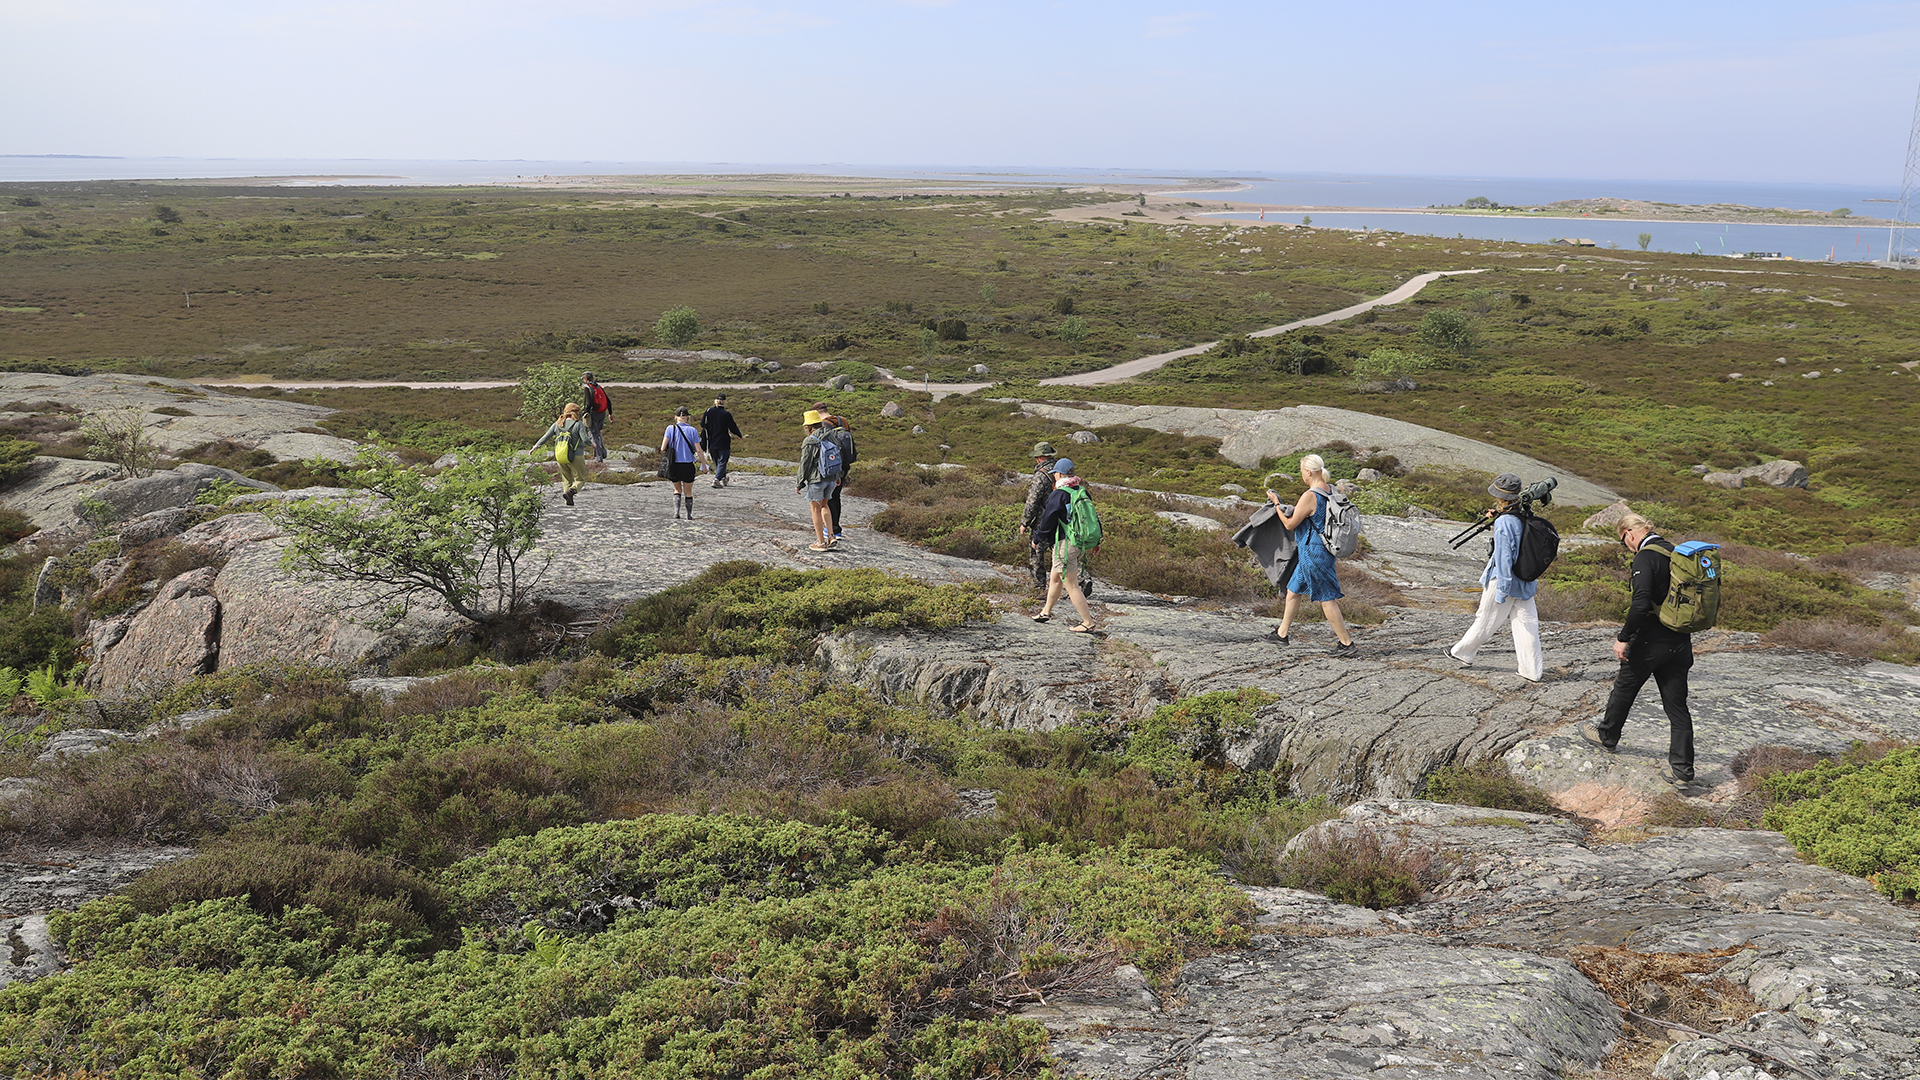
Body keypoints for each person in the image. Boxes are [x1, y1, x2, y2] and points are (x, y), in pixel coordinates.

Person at [1583, 512, 1696, 784]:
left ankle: (1607, 735)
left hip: (1650, 640)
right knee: (1677, 707)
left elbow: (1641, 602)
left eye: (1624, 542)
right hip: (1680, 640)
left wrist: (1624, 637)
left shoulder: (1645, 557)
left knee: (1625, 686)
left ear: (1630, 534)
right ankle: (1682, 770)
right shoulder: (1676, 553)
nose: (1627, 546)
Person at [1448, 473, 1544, 681]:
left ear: (1500, 497)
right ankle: (1532, 671)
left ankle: (1462, 652)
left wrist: (1502, 589)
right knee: (1527, 624)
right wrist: (1499, 517)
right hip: (1525, 580)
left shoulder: (1504, 523)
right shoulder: (1525, 513)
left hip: (1504, 579)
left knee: (1486, 618)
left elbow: (1503, 558)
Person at [1265, 453, 1354, 653]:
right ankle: (1282, 634)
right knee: (1293, 590)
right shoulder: (1331, 489)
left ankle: (1346, 644)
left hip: (1313, 552)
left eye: (1302, 472)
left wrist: (1277, 503)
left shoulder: (1310, 495)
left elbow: (1289, 524)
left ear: (1308, 472)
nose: (1302, 476)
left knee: (1326, 596)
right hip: (1322, 549)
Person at [1029, 457, 1097, 633]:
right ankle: (1046, 612)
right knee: (1055, 577)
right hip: (1078, 542)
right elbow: (1093, 518)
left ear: (1058, 474)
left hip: (1065, 544)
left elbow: (1047, 521)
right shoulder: (1081, 491)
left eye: (1055, 475)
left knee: (1071, 584)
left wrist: (1037, 539)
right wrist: (1097, 540)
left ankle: (1087, 622)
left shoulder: (1059, 494)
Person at [795, 410, 841, 551]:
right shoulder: (832, 435)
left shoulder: (810, 440)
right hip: (831, 478)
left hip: (817, 480)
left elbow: (805, 464)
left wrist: (800, 483)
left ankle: (820, 543)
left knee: (815, 509)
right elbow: (838, 456)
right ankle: (831, 536)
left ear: (808, 426)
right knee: (824, 506)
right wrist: (838, 476)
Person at [529, 402, 590, 506]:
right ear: (576, 412)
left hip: (560, 456)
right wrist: (593, 444)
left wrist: (535, 446)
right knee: (580, 479)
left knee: (566, 480)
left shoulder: (557, 423)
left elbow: (545, 437)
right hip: (576, 455)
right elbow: (584, 439)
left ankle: (568, 502)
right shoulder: (578, 424)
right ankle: (571, 492)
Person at [811, 401, 856, 541]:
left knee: (827, 498)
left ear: (816, 413)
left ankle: (833, 529)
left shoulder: (822, 424)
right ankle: (836, 529)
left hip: (830, 465)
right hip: (845, 464)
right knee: (836, 496)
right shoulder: (843, 420)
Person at [1017, 441, 1058, 589]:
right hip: (1063, 520)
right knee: (1063, 554)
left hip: (1044, 521)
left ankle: (1039, 585)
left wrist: (1025, 522)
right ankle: (1081, 579)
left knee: (1036, 552)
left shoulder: (1041, 475)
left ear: (1040, 457)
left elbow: (1032, 501)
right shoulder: (1061, 470)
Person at [660, 406, 703, 518]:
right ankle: (689, 515)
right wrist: (704, 464)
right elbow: (698, 449)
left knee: (677, 489)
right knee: (688, 492)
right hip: (688, 464)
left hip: (674, 464)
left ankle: (676, 513)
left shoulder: (670, 429)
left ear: (676, 417)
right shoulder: (693, 430)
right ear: (687, 417)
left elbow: (663, 448)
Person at [701, 394, 743, 488]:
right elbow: (732, 427)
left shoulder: (708, 412)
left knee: (717, 462)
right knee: (723, 461)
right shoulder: (726, 414)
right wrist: (739, 435)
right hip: (723, 441)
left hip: (711, 441)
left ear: (715, 401)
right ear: (725, 402)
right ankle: (716, 480)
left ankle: (723, 478)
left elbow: (702, 424)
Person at [581, 371, 613, 463]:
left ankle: (599, 457)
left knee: (593, 434)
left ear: (586, 379)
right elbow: (608, 400)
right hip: (602, 413)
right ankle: (603, 452)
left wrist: (585, 412)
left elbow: (588, 403)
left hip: (593, 413)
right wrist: (610, 413)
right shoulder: (599, 387)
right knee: (597, 433)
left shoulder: (588, 388)